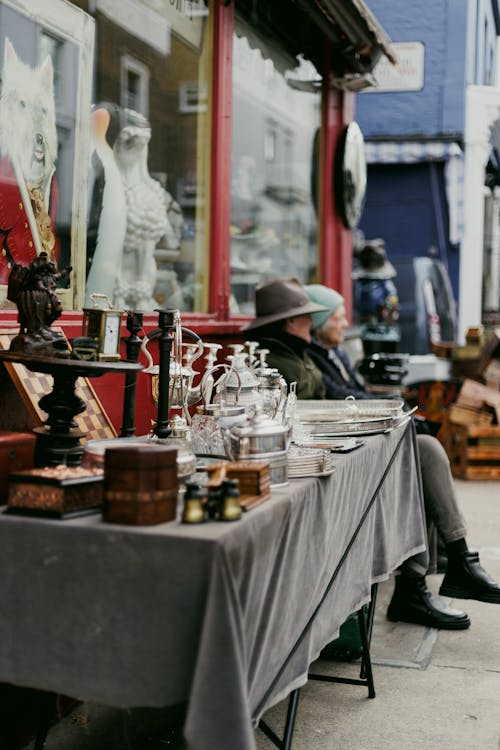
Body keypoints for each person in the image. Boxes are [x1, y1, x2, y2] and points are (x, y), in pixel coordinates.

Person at [246, 277, 500, 630]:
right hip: (327, 464)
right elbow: (323, 406)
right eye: (308, 316)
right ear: (292, 322)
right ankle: (440, 571)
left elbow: (335, 398)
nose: (316, 323)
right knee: (418, 456)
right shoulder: (281, 361)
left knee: (420, 450)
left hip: (340, 452)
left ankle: (452, 561)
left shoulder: (294, 354)